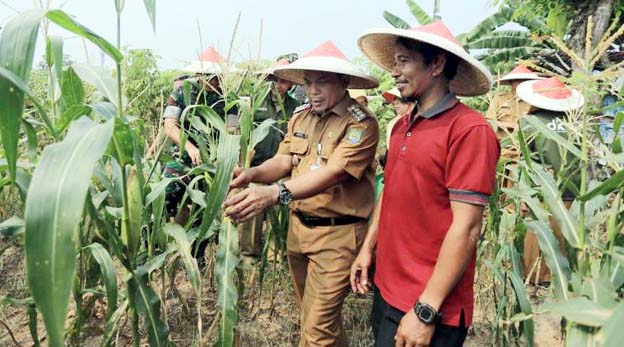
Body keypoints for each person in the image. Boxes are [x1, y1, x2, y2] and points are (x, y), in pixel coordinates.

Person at [223, 40, 380, 346]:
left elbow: (334, 172)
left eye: (322, 82)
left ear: (344, 82)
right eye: (309, 83)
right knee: (314, 320)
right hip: (299, 232)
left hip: (337, 237)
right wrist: (252, 174)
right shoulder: (301, 117)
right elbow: (284, 160)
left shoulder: (361, 124)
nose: (313, 90)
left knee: (317, 331)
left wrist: (274, 194)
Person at [353, 21, 500, 347]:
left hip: (430, 305)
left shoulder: (469, 131)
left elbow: (467, 228)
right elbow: (389, 193)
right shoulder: (402, 126)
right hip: (388, 290)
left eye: (403, 60)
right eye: (394, 61)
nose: (394, 71)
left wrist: (426, 310)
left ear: (436, 64)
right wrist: (368, 248)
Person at [516, 76, 585, 284]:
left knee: (538, 233)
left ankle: (537, 276)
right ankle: (563, 277)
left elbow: (526, 158)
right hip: (571, 188)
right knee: (565, 233)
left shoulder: (530, 123)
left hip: (542, 189)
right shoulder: (576, 122)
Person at [239, 59, 301, 256]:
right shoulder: (254, 101)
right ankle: (249, 253)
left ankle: (275, 253)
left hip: (283, 166)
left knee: (282, 208)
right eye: (275, 80)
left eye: (284, 81)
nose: (279, 86)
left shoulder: (296, 107)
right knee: (252, 209)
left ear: (291, 84)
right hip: (256, 166)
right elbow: (238, 130)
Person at [486, 64, 544, 141]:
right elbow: (489, 121)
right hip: (502, 144)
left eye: (524, 80)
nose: (520, 82)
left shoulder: (536, 101)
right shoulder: (499, 99)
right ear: (511, 82)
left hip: (527, 144)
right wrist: (510, 125)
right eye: (517, 80)